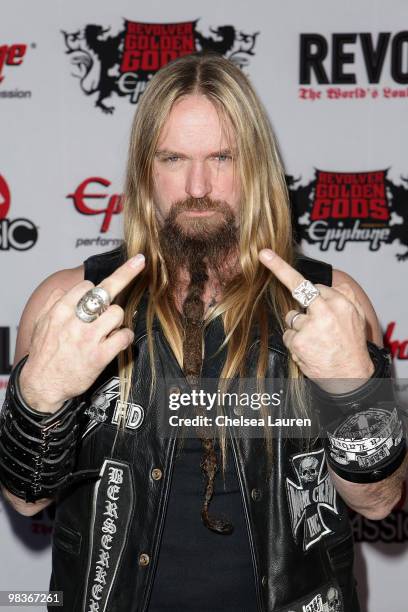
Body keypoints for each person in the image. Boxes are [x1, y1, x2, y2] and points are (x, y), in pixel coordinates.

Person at [0, 52, 406, 612]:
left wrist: (352, 389)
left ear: (256, 165)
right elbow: (25, 501)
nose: (198, 185)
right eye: (174, 157)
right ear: (146, 169)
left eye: (222, 157)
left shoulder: (335, 305)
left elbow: (380, 502)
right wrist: (39, 397)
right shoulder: (68, 306)